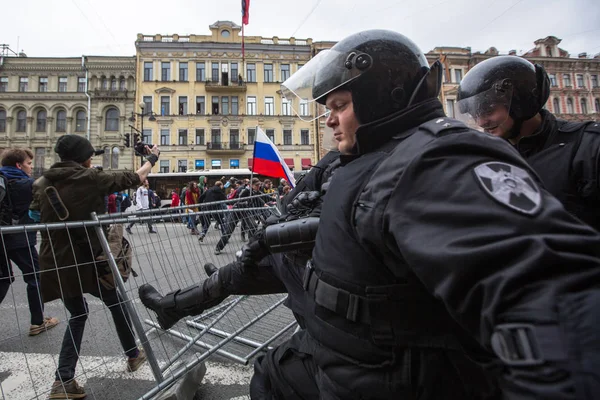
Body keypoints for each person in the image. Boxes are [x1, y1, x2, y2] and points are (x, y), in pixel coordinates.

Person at [29, 135, 160, 399]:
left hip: (55, 260)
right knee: (117, 303)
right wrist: (153, 158)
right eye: (90, 155)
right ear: (84, 157)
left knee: (77, 314)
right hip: (89, 259)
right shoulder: (91, 178)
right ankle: (133, 355)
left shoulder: (42, 183)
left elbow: (33, 215)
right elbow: (135, 177)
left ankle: (63, 380)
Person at [457, 56, 600, 230]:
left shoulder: (588, 146)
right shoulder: (491, 157)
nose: (481, 122)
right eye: (474, 114)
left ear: (520, 100)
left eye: (488, 109)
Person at [0, 148, 59, 336]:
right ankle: (38, 321)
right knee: (35, 276)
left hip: (1, 238)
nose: (31, 167)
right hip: (19, 238)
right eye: (28, 163)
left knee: (4, 277)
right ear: (19, 165)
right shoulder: (27, 184)